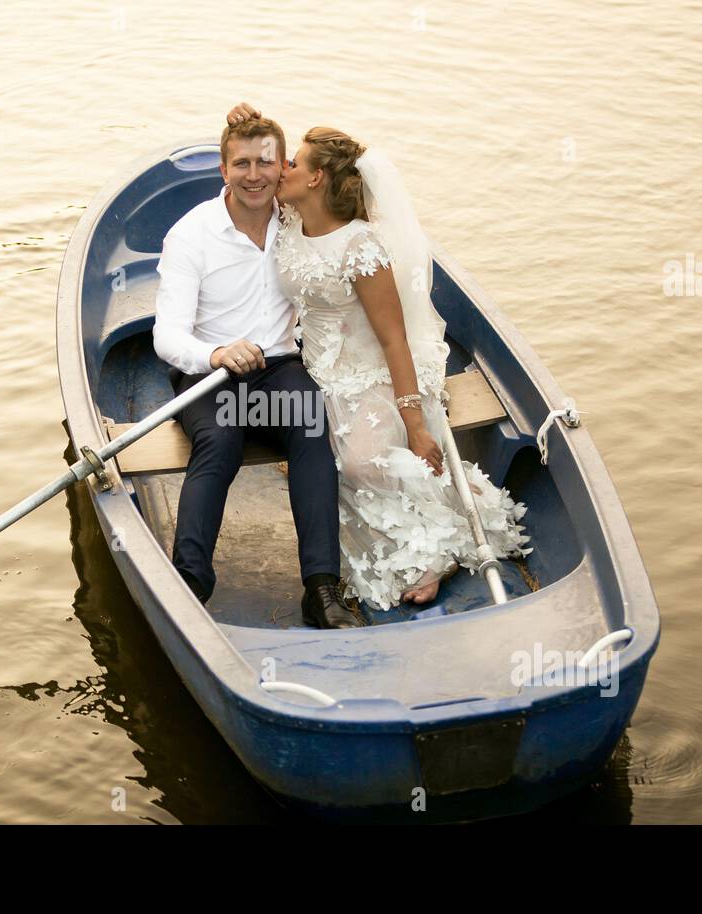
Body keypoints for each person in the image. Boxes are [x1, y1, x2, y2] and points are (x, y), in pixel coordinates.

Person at [227, 102, 531, 610]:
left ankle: (446, 542)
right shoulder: (288, 217)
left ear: (317, 178)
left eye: (293, 164)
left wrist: (413, 420)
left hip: (370, 375)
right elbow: (244, 179)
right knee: (322, 460)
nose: (280, 171)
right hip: (313, 371)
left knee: (362, 463)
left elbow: (394, 339)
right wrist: (246, 120)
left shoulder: (361, 248)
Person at [152, 114, 358, 629]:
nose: (253, 175)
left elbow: (351, 235)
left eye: (265, 162)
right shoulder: (192, 234)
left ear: (283, 166)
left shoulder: (297, 219)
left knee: (311, 424)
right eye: (241, 163)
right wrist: (216, 353)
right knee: (220, 439)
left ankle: (321, 589)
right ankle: (191, 579)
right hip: (208, 374)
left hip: (278, 367)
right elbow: (166, 337)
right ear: (223, 168)